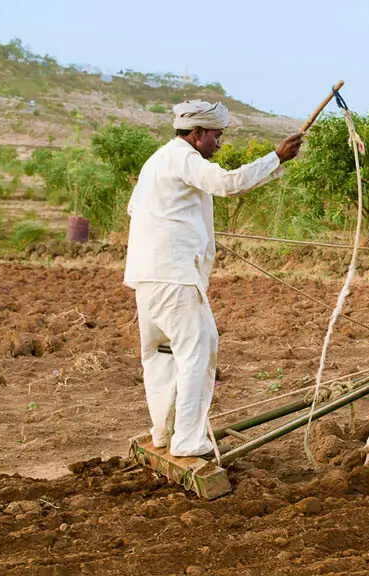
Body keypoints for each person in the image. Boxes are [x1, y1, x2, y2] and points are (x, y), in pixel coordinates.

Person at [123, 100, 304, 458]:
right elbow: (229, 183)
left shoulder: (158, 161)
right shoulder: (183, 158)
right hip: (174, 277)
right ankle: (188, 439)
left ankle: (164, 433)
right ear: (197, 134)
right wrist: (277, 157)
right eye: (216, 136)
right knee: (198, 351)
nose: (219, 144)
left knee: (162, 355)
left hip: (149, 277)